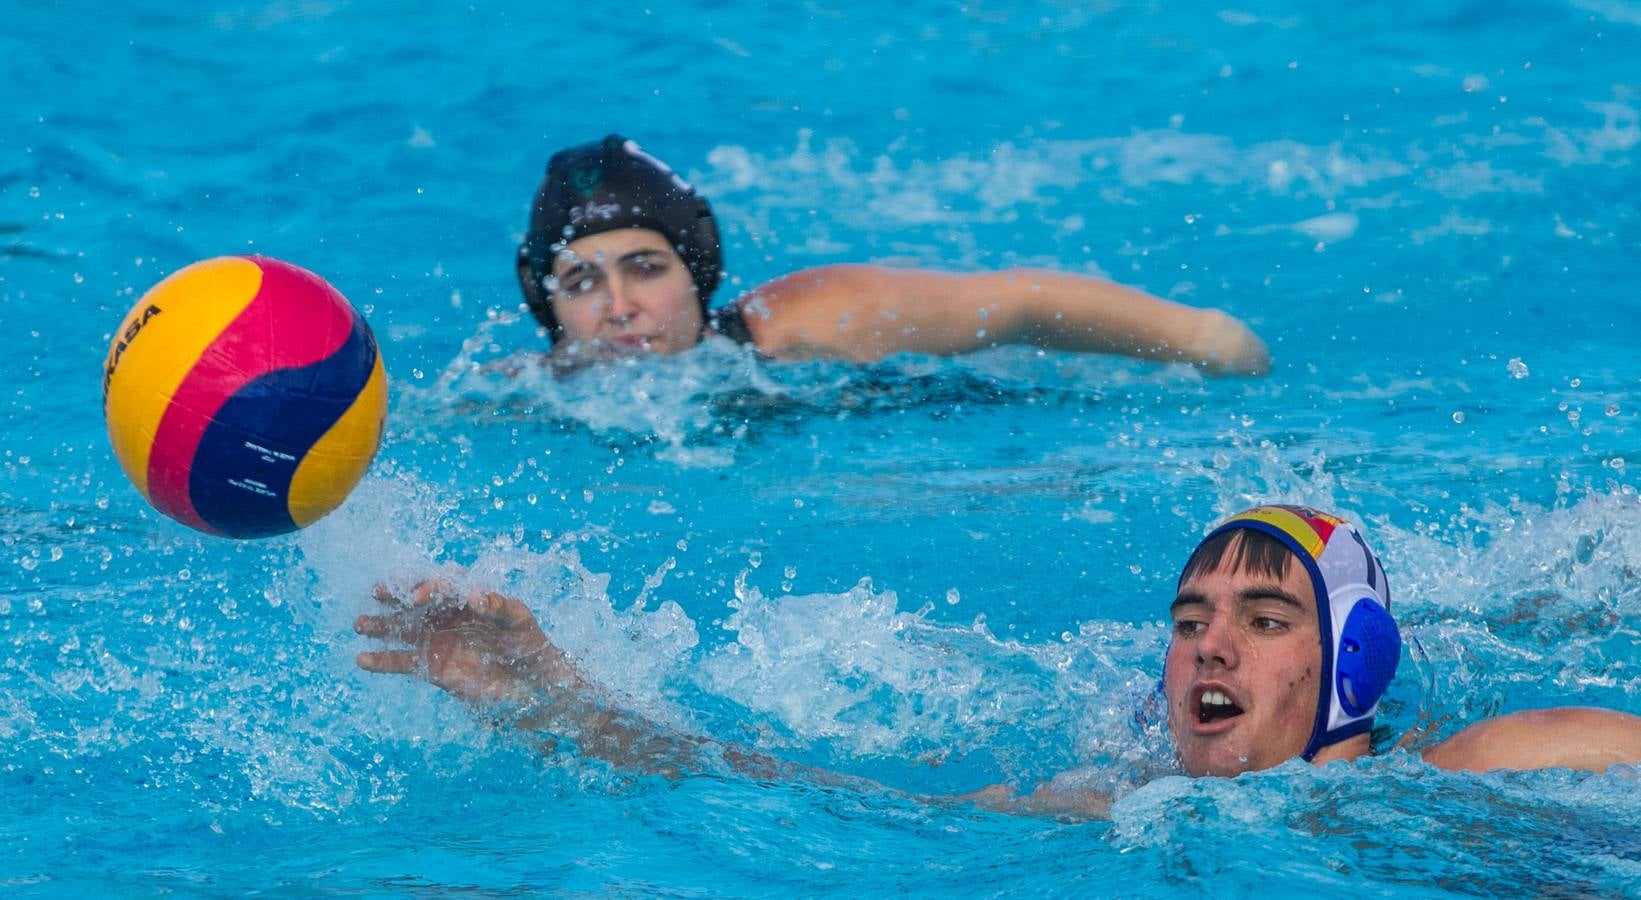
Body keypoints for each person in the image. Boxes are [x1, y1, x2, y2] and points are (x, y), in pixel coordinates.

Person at [353, 504, 1641, 816]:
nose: (1210, 641)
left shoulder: (1488, 763)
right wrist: (551, 697)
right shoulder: (1108, 803)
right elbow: (787, 791)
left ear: (1354, 661)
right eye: (1191, 617)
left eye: (1263, 616)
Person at [513, 135, 1271, 375]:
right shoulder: (517, 397)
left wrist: (1202, 338)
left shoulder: (814, 323)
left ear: (697, 273)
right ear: (547, 305)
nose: (619, 307)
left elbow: (1020, 301)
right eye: (581, 280)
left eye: (646, 267)